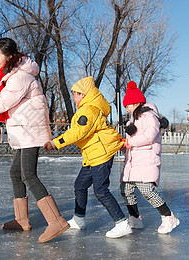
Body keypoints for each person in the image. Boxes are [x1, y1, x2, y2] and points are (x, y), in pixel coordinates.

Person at [0, 38, 69, 243]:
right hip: (24, 130)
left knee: (28, 174)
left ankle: (56, 221)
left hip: (30, 131)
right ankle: (22, 219)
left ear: (9, 57)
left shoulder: (20, 78)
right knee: (16, 172)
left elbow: (1, 104)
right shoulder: (13, 76)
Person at [43, 76, 132, 239]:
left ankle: (122, 223)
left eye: (75, 94)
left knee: (101, 191)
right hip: (92, 155)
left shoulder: (89, 109)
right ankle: (79, 219)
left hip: (101, 154)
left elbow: (78, 132)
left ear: (83, 94)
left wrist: (56, 143)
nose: (73, 98)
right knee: (80, 185)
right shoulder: (87, 109)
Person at [120, 81, 180, 234]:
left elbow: (149, 136)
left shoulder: (149, 117)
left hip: (147, 161)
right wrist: (123, 145)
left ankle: (168, 216)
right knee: (126, 189)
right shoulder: (132, 121)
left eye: (128, 106)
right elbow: (131, 142)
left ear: (137, 103)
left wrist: (129, 142)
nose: (126, 109)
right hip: (132, 163)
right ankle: (134, 218)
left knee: (147, 190)